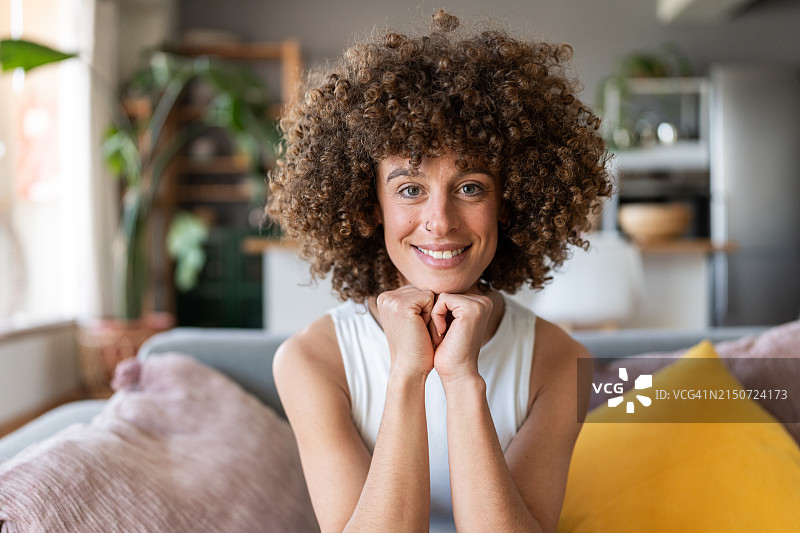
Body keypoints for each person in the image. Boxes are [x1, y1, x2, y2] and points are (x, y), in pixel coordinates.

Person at [267, 9, 612, 532]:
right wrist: (408, 374)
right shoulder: (312, 361)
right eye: (410, 189)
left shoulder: (561, 363)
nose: (440, 221)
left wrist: (461, 377)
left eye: (470, 187)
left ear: (510, 201)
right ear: (370, 203)